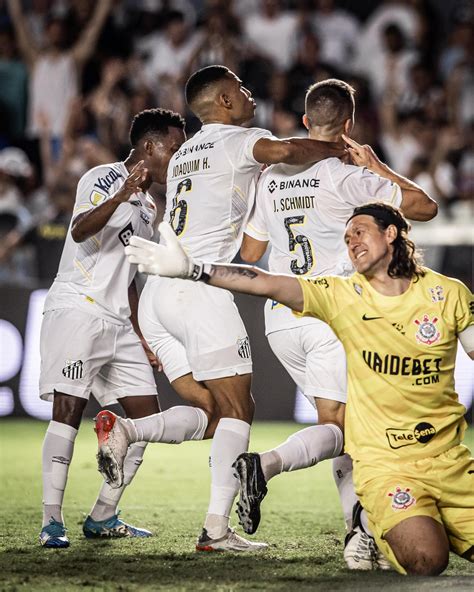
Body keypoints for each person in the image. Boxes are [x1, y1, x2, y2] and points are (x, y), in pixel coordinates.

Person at [124, 202, 473, 577]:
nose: (351, 241)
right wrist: (195, 270)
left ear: (391, 234)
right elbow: (264, 281)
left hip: (448, 459)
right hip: (386, 467)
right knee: (426, 560)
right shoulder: (342, 294)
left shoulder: (447, 293)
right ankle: (370, 524)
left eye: (360, 231)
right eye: (347, 236)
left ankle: (421, 522)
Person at [94, 64, 346, 553]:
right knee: (238, 409)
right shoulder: (237, 139)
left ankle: (127, 429)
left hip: (156, 296)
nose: (251, 96)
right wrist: (340, 149)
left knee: (209, 413)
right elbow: (291, 150)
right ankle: (214, 530)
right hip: (197, 289)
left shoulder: (185, 151)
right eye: (244, 90)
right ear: (225, 101)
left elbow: (249, 252)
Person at [236, 78, 437, 570]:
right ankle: (264, 466)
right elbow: (424, 207)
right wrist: (374, 165)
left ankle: (359, 537)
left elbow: (250, 253)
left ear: (306, 122)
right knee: (344, 428)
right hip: (333, 315)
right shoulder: (346, 176)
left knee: (347, 431)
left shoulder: (271, 176)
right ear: (348, 125)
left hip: (281, 320)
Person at [38, 108, 186, 548]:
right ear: (147, 147)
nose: (176, 160)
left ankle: (103, 515)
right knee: (67, 411)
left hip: (120, 322)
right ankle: (51, 522)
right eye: (173, 150)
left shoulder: (151, 205)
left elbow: (132, 274)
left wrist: (143, 334)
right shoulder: (103, 178)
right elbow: (81, 231)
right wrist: (122, 193)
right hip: (78, 308)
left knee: (147, 422)